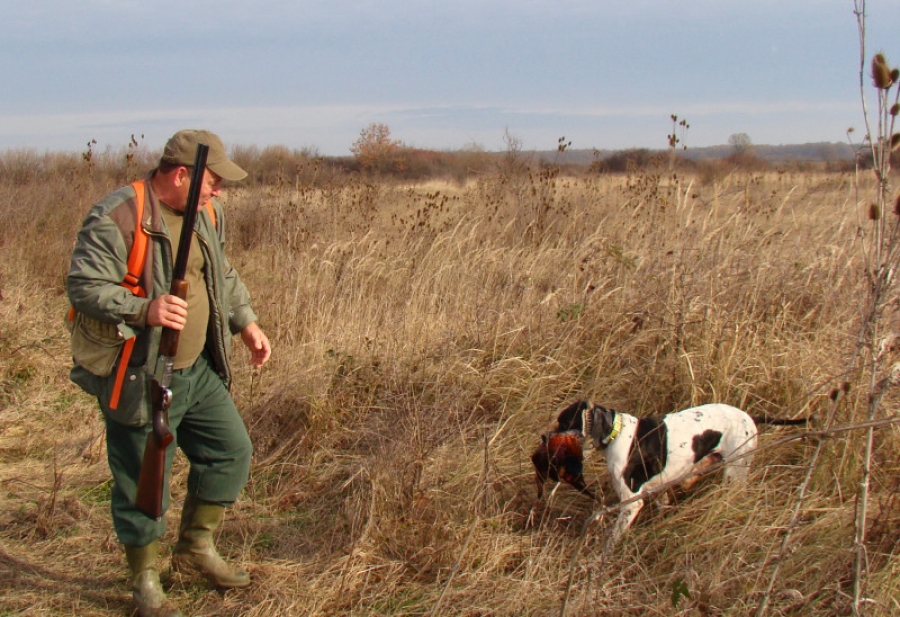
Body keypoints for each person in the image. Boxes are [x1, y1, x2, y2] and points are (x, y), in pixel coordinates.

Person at [67, 129, 271, 617]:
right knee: (143, 481)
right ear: (183, 174)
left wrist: (246, 323)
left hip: (197, 369)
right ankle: (145, 582)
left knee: (231, 451)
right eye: (213, 182)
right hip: (140, 373)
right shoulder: (119, 214)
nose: (218, 192)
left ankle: (196, 547)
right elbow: (83, 285)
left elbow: (219, 273)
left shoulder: (208, 214)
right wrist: (143, 309)